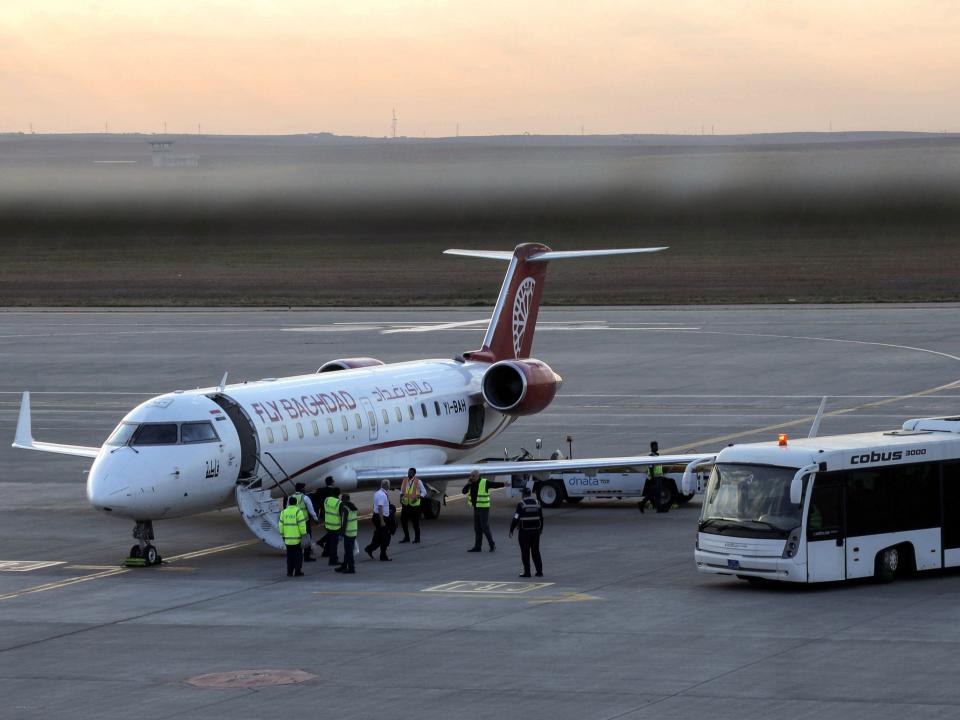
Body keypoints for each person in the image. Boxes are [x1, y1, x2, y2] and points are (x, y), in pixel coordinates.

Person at [462, 470, 505, 552]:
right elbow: (463, 492)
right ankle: (478, 547)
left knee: (484, 527)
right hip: (476, 508)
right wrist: (468, 484)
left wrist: (503, 484)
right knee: (477, 528)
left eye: (473, 476)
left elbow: (494, 485)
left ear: (478, 476)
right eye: (470, 476)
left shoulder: (484, 482)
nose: (471, 477)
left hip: (483, 508)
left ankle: (492, 544)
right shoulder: (471, 483)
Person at [509, 486, 544, 577]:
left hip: (524, 532)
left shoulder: (521, 504)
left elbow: (516, 518)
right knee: (536, 551)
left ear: (523, 494)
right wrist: (541, 529)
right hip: (536, 531)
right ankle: (539, 571)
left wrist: (511, 529)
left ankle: (527, 572)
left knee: (525, 552)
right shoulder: (537, 502)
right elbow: (541, 518)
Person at [278, 495, 307, 577]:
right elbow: (302, 525)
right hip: (297, 539)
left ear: (289, 503)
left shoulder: (284, 512)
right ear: (296, 503)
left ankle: (289, 572)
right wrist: (303, 534)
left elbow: (280, 525)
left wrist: (282, 534)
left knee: (290, 556)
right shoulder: (298, 512)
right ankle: (298, 571)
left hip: (287, 539)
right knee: (298, 556)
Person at [364, 479, 393, 561]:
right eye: (389, 484)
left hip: (377, 516)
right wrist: (382, 520)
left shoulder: (377, 493)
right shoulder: (382, 495)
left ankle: (370, 549)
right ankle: (383, 556)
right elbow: (380, 507)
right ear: (386, 485)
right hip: (381, 517)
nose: (390, 486)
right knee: (385, 537)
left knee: (379, 535)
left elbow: (375, 505)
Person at [291, 482, 319, 562]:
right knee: (307, 538)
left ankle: (297, 555)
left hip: (295, 522)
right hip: (304, 522)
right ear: (302, 489)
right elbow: (311, 510)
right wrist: (316, 519)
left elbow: (287, 508)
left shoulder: (291, 497)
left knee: (297, 539)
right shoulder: (305, 498)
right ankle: (307, 557)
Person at [638, 441, 667, 513]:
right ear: (652, 447)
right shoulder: (651, 456)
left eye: (657, 446)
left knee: (657, 493)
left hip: (659, 476)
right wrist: (653, 479)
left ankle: (659, 509)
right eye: (655, 446)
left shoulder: (657, 455)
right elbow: (651, 468)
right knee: (653, 493)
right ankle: (642, 503)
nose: (657, 447)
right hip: (654, 478)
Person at [311, 477, 336, 557]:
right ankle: (321, 544)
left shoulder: (320, 490)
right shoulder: (334, 491)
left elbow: (314, 497)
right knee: (333, 533)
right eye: (333, 481)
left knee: (331, 533)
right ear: (332, 482)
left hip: (324, 514)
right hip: (333, 515)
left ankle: (325, 550)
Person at [399, 467, 425, 544]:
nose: (409, 474)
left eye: (410, 472)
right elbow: (401, 491)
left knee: (415, 523)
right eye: (408, 472)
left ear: (414, 474)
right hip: (406, 505)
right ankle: (407, 537)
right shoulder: (404, 480)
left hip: (415, 506)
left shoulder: (418, 481)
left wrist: (417, 497)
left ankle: (417, 538)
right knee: (403, 521)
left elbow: (424, 492)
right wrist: (400, 499)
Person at [335, 493, 359, 574]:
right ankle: (344, 565)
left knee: (349, 552)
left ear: (343, 500)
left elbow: (344, 522)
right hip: (354, 531)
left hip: (348, 532)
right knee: (348, 550)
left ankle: (351, 568)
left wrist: (341, 534)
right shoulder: (353, 507)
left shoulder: (345, 508)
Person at [322, 487, 342, 566]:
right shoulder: (339, 502)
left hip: (328, 525)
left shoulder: (326, 500)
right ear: (338, 494)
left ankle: (329, 555)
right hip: (335, 526)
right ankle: (333, 560)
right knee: (334, 544)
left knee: (330, 542)